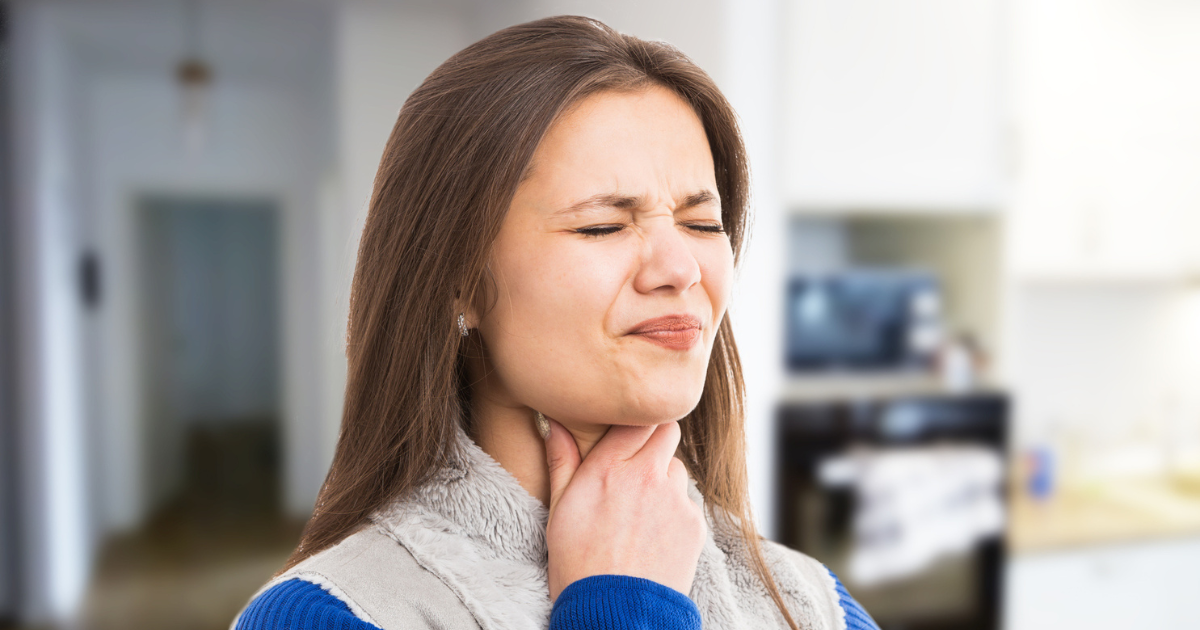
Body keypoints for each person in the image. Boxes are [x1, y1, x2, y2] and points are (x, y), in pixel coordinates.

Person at [233, 15, 879, 630]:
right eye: (603, 224)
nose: (681, 268)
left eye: (701, 224)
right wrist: (622, 607)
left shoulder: (812, 603)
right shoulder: (332, 614)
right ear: (459, 280)